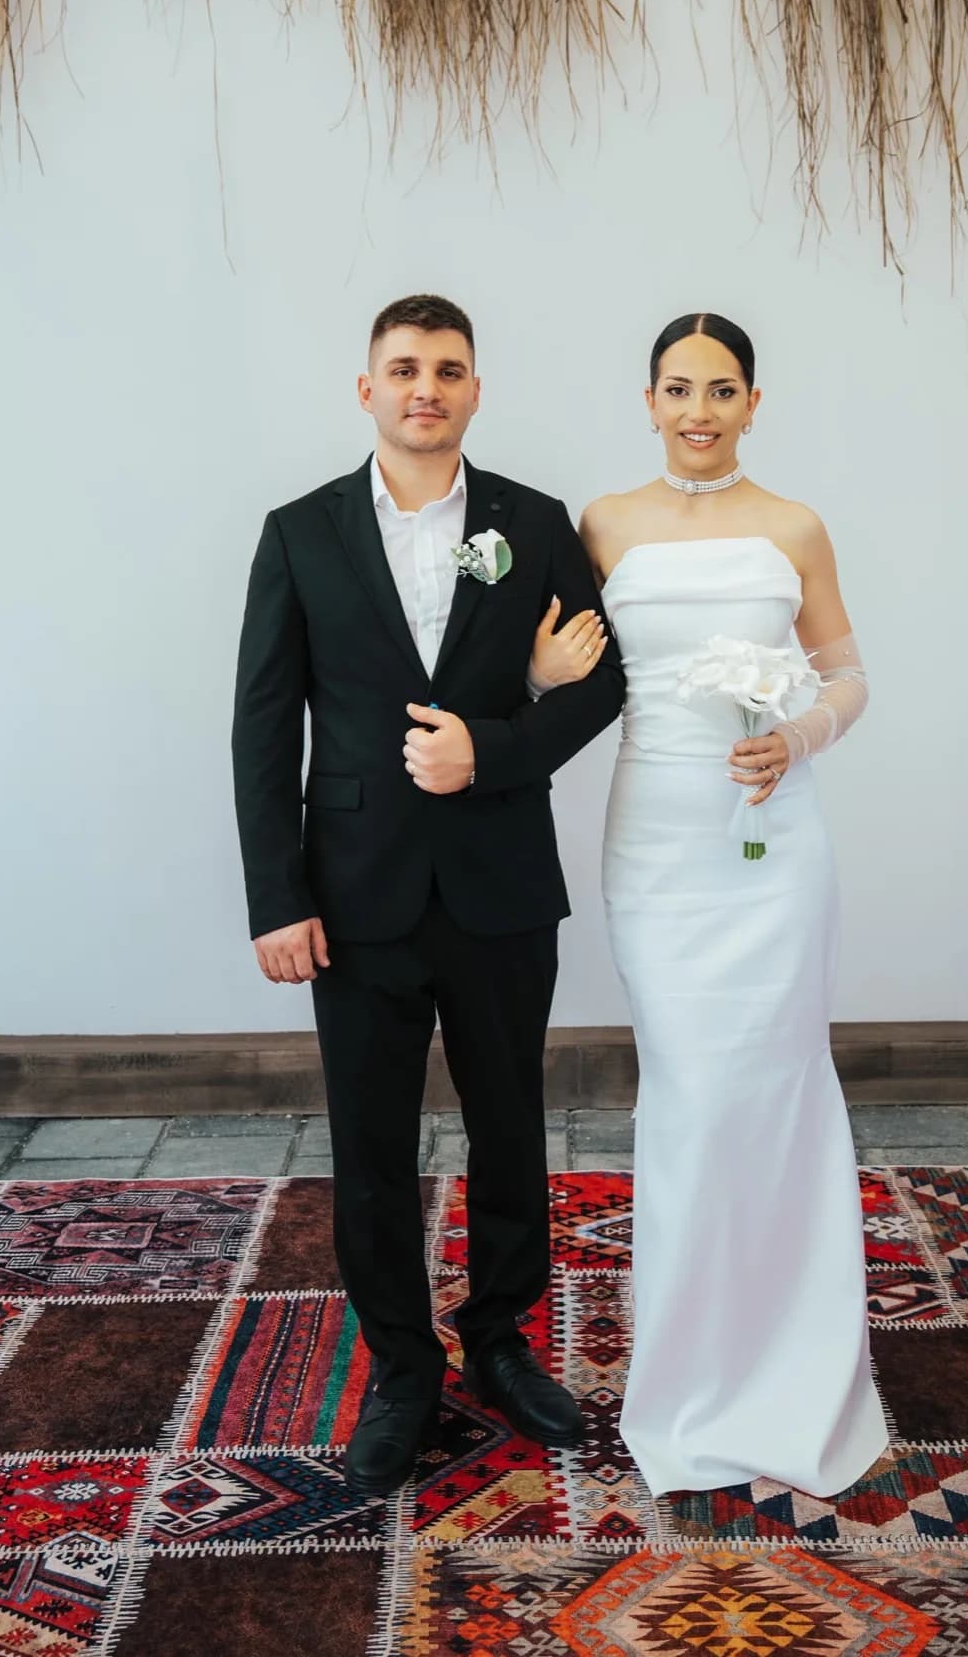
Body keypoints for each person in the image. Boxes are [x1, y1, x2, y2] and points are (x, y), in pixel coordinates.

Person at [231, 293, 624, 1495]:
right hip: (353, 894)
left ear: (473, 389)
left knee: (511, 1124)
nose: (425, 387)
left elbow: (601, 683)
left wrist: (489, 750)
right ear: (366, 390)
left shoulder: (534, 522)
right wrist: (273, 896)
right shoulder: (299, 532)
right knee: (369, 1146)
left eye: (447, 368)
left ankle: (500, 1343)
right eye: (402, 368)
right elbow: (261, 724)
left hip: (500, 881)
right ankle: (402, 1368)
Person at [532, 310, 889, 1498]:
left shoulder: (793, 525)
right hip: (659, 839)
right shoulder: (603, 523)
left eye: (720, 389)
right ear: (646, 400)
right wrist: (536, 677)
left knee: (776, 1086)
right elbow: (560, 671)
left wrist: (792, 736)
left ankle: (799, 1371)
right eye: (677, 388)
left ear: (750, 402)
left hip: (773, 842)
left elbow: (847, 675)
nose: (697, 410)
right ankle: (689, 1381)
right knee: (689, 1091)